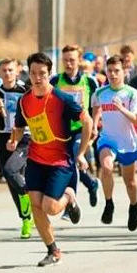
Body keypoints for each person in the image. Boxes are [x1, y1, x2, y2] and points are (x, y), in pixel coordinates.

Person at [9, 52, 91, 267]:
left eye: (42, 74)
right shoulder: (24, 100)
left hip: (60, 161)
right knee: (36, 204)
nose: (37, 78)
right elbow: (18, 127)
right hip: (36, 159)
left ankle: (69, 197)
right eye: (34, 73)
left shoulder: (62, 99)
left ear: (49, 74)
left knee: (51, 208)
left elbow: (87, 121)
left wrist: (81, 152)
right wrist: (14, 141)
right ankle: (53, 251)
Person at [0, 58, 33, 239]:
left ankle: (31, 199)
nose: (7, 73)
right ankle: (26, 218)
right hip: (4, 140)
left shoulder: (26, 91)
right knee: (11, 181)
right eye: (4, 70)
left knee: (12, 171)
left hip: (24, 139)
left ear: (17, 71)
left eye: (11, 70)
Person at [93, 55, 137, 232]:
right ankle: (108, 203)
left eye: (117, 71)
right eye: (110, 71)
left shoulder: (132, 94)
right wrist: (94, 124)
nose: (113, 75)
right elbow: (96, 107)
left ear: (124, 72)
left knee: (130, 182)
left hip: (128, 142)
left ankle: (134, 206)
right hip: (108, 139)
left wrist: (121, 109)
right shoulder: (100, 93)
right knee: (106, 167)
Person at [50, 44, 100, 210]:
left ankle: (70, 203)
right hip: (61, 130)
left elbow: (96, 105)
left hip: (81, 129)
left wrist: (95, 125)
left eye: (72, 60)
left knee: (73, 158)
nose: (68, 64)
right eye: (65, 60)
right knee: (68, 164)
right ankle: (91, 183)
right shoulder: (56, 81)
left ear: (79, 60)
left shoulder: (89, 81)